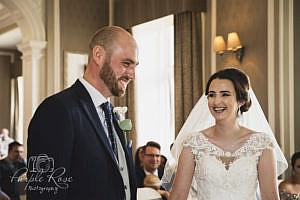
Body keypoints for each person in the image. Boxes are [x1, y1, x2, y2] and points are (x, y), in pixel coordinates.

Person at [27, 26, 139, 200]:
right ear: (98, 55)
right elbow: (45, 191)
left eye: (134, 66)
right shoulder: (57, 110)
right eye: (126, 64)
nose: (132, 74)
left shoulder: (113, 115)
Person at [162, 67, 288, 200]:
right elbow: (177, 196)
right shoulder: (193, 143)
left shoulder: (262, 144)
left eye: (225, 94)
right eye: (211, 95)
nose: (216, 101)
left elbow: (270, 197)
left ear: (241, 100)